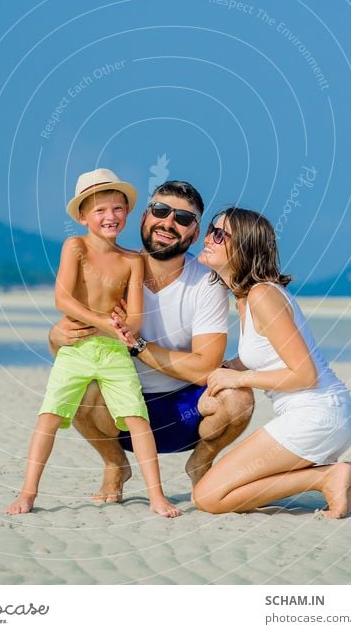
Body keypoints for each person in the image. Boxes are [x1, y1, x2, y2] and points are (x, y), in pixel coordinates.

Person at [48, 181, 255, 504]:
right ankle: (115, 464)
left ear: (195, 232)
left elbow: (206, 367)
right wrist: (55, 337)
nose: (168, 223)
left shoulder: (207, 283)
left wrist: (138, 346)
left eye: (183, 218)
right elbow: (70, 350)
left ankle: (201, 464)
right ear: (144, 216)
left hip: (186, 412)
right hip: (120, 411)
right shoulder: (108, 269)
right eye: (160, 211)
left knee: (238, 397)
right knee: (77, 385)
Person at [6, 168, 182, 518]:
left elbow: (135, 317)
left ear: (127, 213)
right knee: (50, 416)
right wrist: (103, 321)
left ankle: (157, 497)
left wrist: (124, 328)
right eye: (100, 210)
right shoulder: (76, 247)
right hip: (77, 349)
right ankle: (27, 493)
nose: (109, 216)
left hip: (115, 351)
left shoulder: (133, 260)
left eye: (117, 208)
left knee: (137, 418)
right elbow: (63, 299)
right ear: (83, 217)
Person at [192, 208, 351, 518]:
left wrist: (239, 380)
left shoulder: (262, 295)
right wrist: (229, 367)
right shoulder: (246, 297)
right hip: (322, 416)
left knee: (208, 497)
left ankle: (326, 477)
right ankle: (330, 477)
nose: (208, 238)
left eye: (219, 234)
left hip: (316, 415)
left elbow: (305, 374)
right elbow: (266, 351)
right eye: (210, 230)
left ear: (243, 247)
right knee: (218, 492)